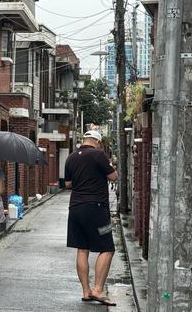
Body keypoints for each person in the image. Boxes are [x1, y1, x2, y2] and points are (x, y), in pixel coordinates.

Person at [65, 130, 118, 307]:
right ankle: (97, 289)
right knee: (108, 248)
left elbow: (68, 184)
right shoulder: (98, 155)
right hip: (97, 209)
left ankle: (86, 291)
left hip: (75, 209)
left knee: (82, 249)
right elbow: (113, 177)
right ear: (98, 142)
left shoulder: (71, 157)